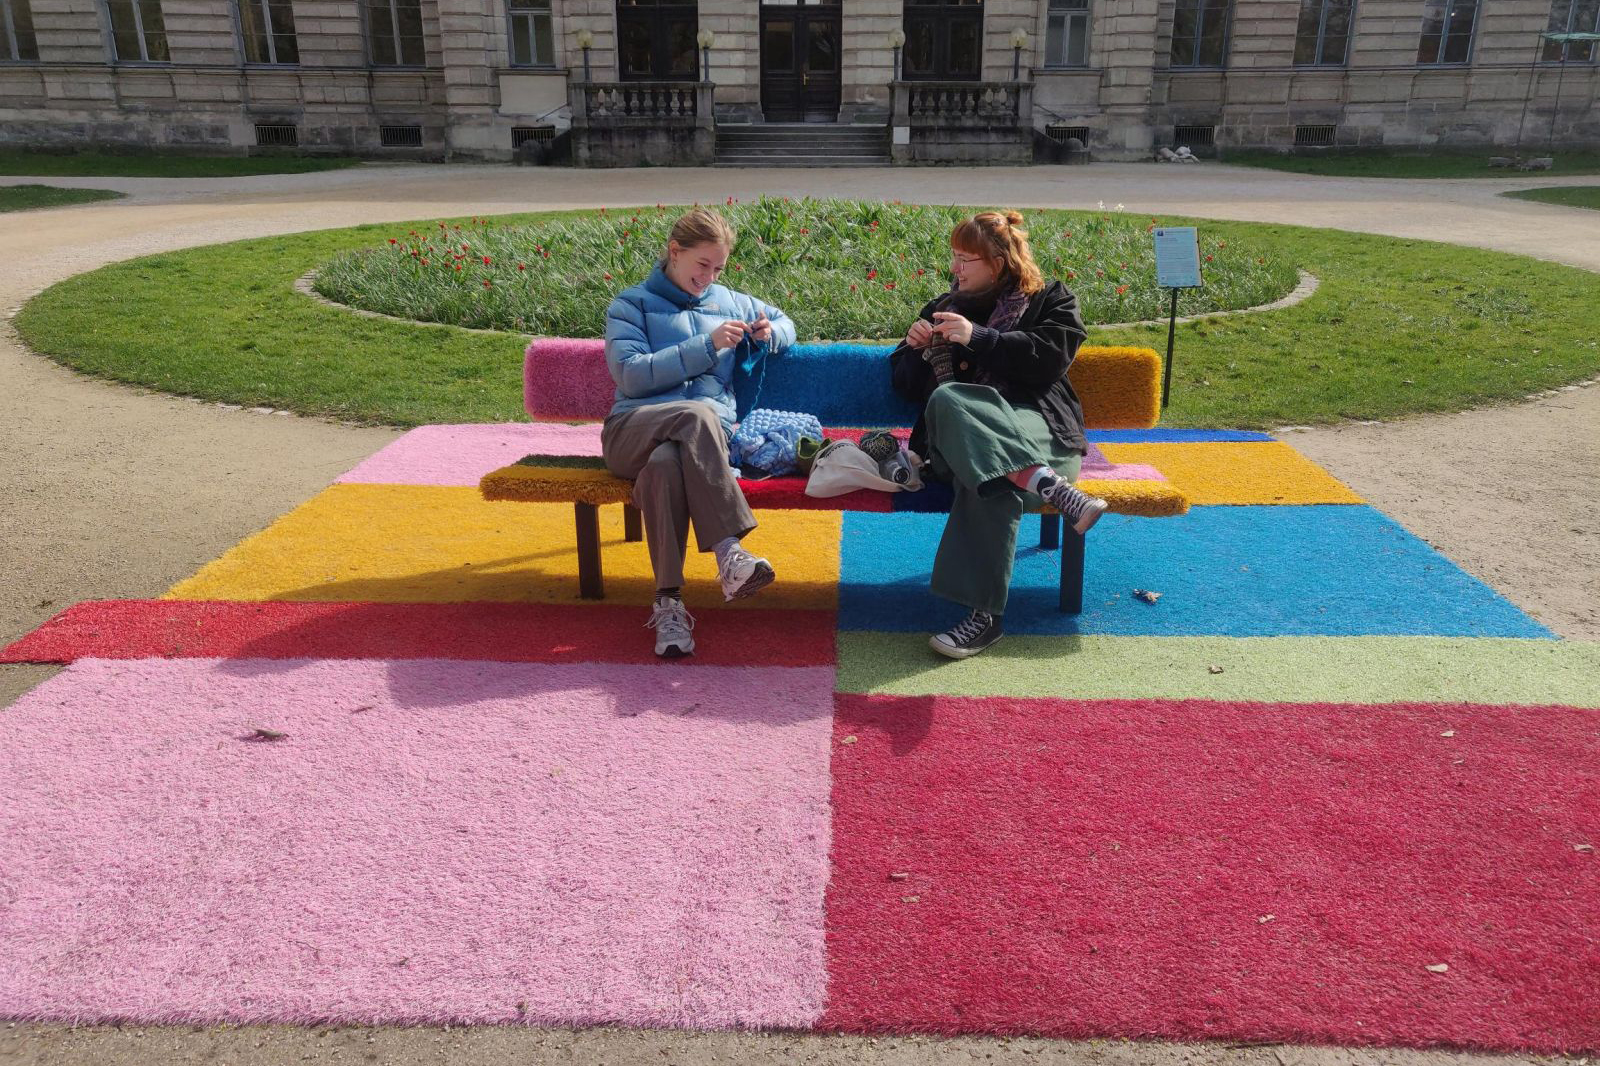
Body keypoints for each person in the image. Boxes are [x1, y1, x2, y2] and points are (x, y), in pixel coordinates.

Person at [888, 209, 1108, 660]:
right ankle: (1050, 487)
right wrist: (911, 350)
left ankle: (983, 619)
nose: (954, 269)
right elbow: (906, 386)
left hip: (1038, 429)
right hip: (959, 436)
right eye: (954, 257)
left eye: (965, 259)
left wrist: (979, 337)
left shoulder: (1052, 300)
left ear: (999, 261)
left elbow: (1049, 359)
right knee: (948, 401)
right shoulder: (939, 308)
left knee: (991, 479)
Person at [602, 207, 796, 658]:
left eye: (719, 267)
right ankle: (728, 550)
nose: (709, 276)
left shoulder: (732, 302)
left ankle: (668, 604)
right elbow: (631, 376)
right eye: (702, 264)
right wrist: (706, 345)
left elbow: (787, 322)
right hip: (631, 432)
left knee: (667, 465)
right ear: (675, 252)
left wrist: (771, 333)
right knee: (697, 415)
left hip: (691, 449)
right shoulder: (629, 305)